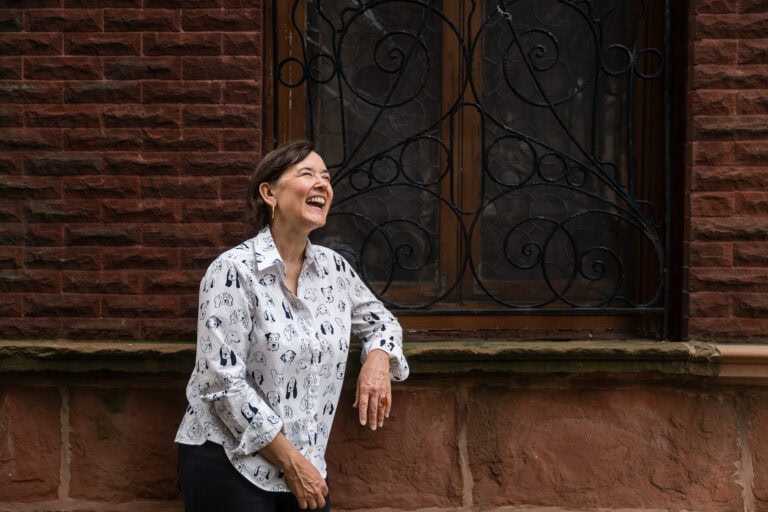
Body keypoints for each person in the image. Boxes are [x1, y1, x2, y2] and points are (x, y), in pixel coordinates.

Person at [175, 140, 409, 511]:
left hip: (307, 469)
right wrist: (292, 462)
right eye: (307, 174)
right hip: (230, 465)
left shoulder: (334, 270)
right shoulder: (232, 271)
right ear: (268, 193)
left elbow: (383, 324)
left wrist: (378, 359)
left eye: (326, 177)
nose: (322, 184)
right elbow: (222, 385)